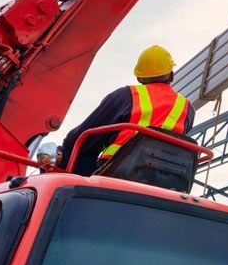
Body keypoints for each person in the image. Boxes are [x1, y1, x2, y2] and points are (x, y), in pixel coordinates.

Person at [60, 45, 194, 176]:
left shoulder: (125, 96)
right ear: (171, 76)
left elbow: (83, 139)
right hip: (168, 177)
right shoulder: (187, 108)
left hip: (116, 172)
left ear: (139, 77)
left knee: (63, 153)